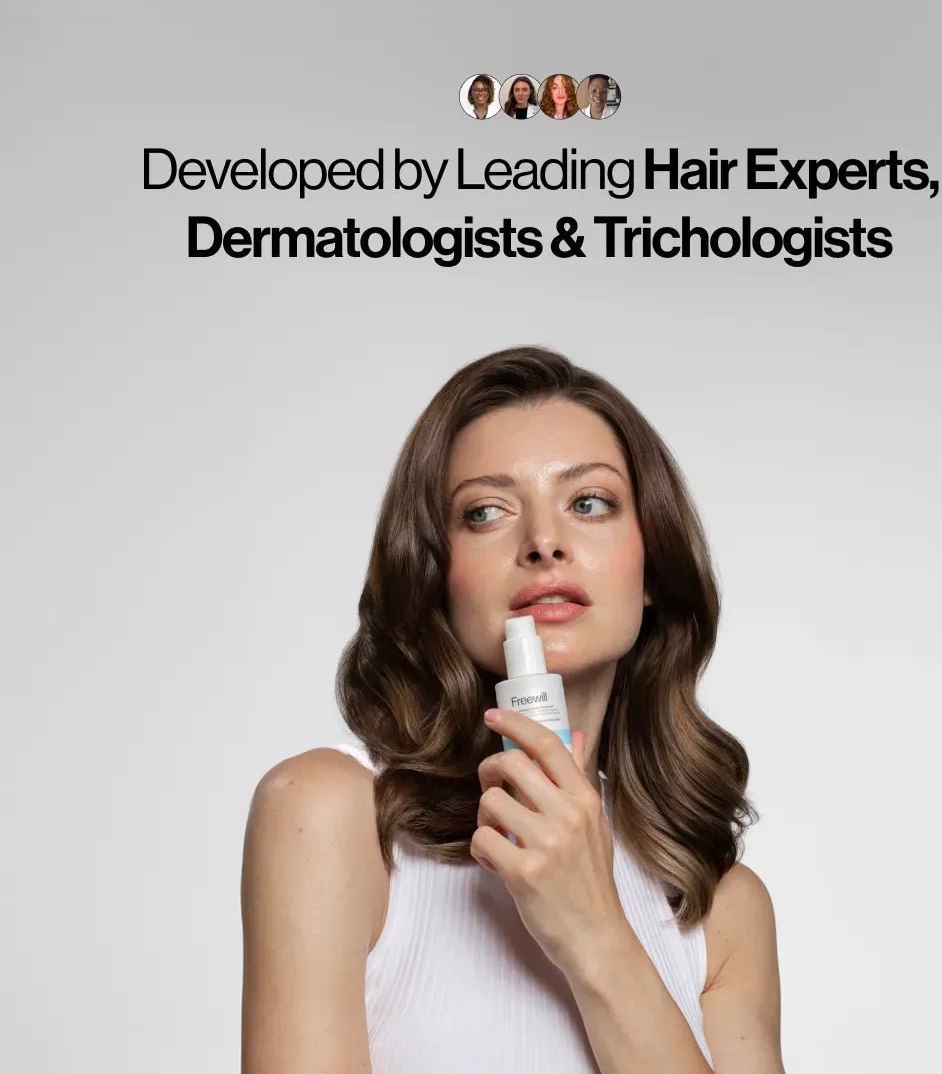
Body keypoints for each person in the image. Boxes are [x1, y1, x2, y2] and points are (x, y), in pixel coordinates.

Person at [240, 347, 786, 1073]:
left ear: (652, 566)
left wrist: (595, 934)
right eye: (486, 512)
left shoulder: (720, 909)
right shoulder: (334, 815)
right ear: (436, 576)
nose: (544, 543)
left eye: (589, 502)